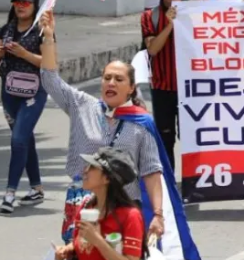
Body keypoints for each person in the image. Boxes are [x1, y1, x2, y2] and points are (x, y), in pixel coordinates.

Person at [38, 13, 166, 242]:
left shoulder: (141, 123)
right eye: (107, 78)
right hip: (83, 204)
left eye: (118, 79)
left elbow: (151, 170)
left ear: (131, 88)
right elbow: (50, 79)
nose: (111, 83)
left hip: (124, 206)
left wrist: (158, 214)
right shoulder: (82, 106)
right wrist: (48, 37)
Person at [141, 0, 197, 169]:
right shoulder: (150, 17)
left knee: (191, 138)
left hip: (191, 89)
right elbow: (153, 49)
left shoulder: (196, 15)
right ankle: (169, 182)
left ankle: (192, 181)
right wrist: (169, 24)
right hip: (162, 87)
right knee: (165, 139)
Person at [0, 0, 45, 214]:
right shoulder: (6, 30)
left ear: (35, 6)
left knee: (18, 140)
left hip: (34, 93)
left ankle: (9, 194)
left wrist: (23, 54)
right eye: (17, 2)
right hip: (9, 92)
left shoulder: (42, 31)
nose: (20, 6)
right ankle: (36, 187)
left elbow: (49, 63)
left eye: (25, 3)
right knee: (26, 138)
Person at [54, 148, 145, 260]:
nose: (85, 170)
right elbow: (79, 242)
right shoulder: (86, 206)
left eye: (92, 167)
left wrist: (98, 241)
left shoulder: (131, 216)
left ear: (107, 178)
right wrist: (68, 249)